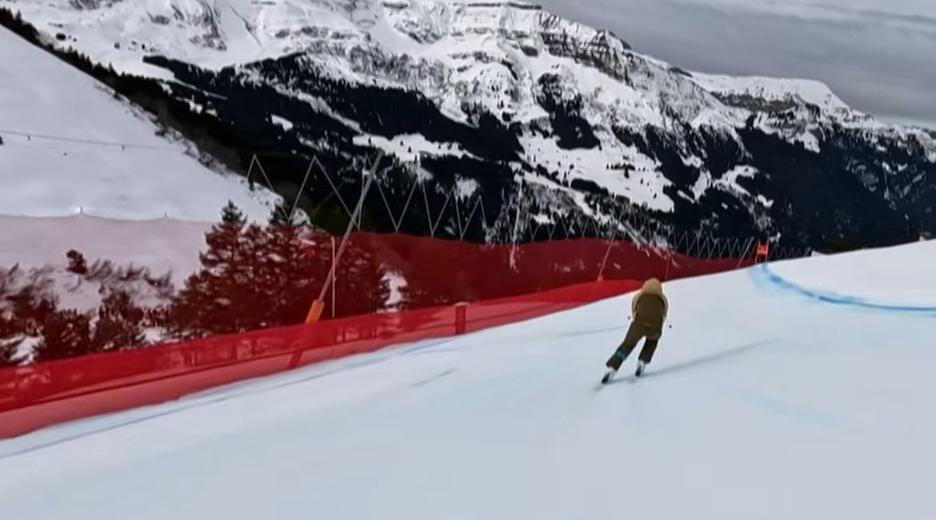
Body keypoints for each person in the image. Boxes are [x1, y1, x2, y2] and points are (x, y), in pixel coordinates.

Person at [602, 278, 668, 383]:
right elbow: (664, 314)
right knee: (652, 341)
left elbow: (634, 309)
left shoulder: (639, 296)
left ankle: (612, 367)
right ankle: (643, 361)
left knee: (627, 345)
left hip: (638, 325)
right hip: (655, 326)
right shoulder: (662, 299)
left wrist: (637, 321)